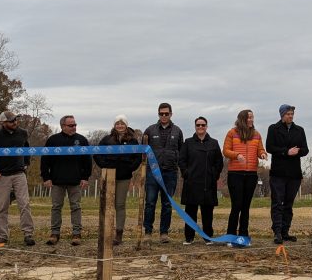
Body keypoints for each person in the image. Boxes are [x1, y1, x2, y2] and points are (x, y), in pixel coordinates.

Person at [0, 110, 35, 247]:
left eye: (15, 120)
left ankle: (28, 234)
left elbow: (26, 148)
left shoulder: (23, 133)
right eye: (11, 121)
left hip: (19, 174)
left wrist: (26, 163)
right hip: (2, 176)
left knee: (24, 204)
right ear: (3, 123)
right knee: (2, 207)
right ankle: (2, 236)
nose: (15, 122)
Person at [41, 115, 93, 246]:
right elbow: (45, 160)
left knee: (76, 206)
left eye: (75, 125)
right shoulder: (53, 140)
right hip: (57, 180)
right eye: (71, 125)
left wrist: (85, 177)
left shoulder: (81, 140)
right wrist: (46, 177)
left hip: (75, 181)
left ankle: (76, 233)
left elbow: (87, 160)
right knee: (56, 207)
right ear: (63, 126)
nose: (74, 127)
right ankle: (54, 233)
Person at [95, 115, 142, 246]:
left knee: (120, 205)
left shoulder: (133, 141)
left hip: (124, 177)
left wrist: (129, 168)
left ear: (126, 125)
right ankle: (106, 231)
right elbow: (97, 154)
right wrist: (105, 165)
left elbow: (137, 157)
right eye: (117, 124)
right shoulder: (107, 139)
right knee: (107, 204)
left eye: (122, 124)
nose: (120, 126)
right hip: (108, 175)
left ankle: (119, 234)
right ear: (114, 125)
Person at [266, 104, 309, 244]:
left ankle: (285, 232)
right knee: (277, 203)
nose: (290, 116)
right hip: (278, 172)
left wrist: (298, 151)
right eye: (288, 114)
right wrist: (286, 151)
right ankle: (277, 232)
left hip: (294, 173)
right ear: (282, 115)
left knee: (288, 204)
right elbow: (270, 147)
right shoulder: (273, 129)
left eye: (292, 114)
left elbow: (306, 149)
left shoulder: (299, 130)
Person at [222, 109, 267, 245]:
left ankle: (243, 236)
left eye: (252, 117)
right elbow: (225, 151)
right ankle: (231, 236)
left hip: (251, 174)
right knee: (236, 206)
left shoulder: (256, 134)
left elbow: (260, 149)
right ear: (242, 119)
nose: (252, 120)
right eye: (249, 117)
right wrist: (237, 155)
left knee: (246, 206)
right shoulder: (232, 133)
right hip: (235, 173)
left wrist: (263, 154)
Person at [143, 103, 184, 244]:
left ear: (171, 114)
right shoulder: (149, 130)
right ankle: (148, 232)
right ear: (158, 114)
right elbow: (143, 149)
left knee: (167, 204)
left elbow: (181, 151)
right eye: (161, 114)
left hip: (170, 173)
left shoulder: (177, 131)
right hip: (153, 173)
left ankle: (164, 233)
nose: (164, 116)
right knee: (150, 203)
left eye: (166, 113)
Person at [178, 117, 224, 244]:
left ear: (206, 126)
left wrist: (214, 175)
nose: (200, 127)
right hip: (191, 183)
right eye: (198, 125)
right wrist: (186, 173)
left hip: (208, 183)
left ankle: (208, 237)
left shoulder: (214, 143)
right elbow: (181, 160)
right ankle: (189, 237)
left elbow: (219, 162)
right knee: (190, 212)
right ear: (195, 126)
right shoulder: (188, 142)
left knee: (207, 213)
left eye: (203, 125)